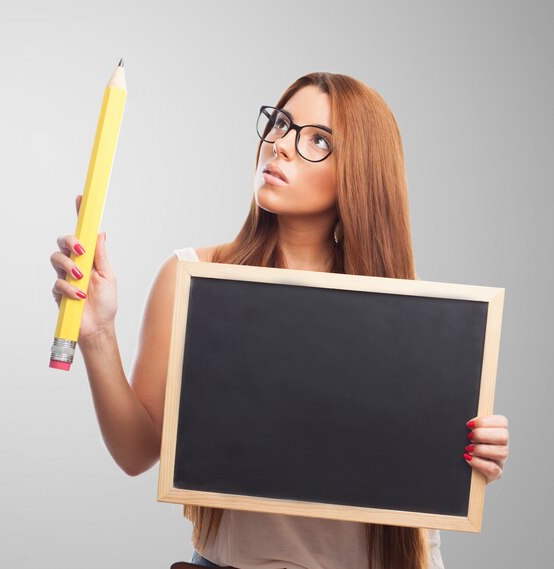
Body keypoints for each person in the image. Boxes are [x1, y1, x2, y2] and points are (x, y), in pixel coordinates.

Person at [50, 72, 510, 569]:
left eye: (317, 140)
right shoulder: (194, 275)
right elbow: (137, 453)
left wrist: (472, 447)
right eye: (281, 123)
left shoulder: (410, 320)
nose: (281, 146)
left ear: (360, 173)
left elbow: (416, 478)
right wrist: (97, 334)